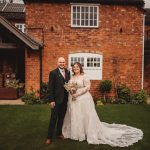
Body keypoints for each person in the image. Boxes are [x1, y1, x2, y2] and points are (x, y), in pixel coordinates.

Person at [62, 62, 143, 147]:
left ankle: (86, 132)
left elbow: (87, 87)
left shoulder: (84, 76)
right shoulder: (72, 77)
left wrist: (77, 94)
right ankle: (77, 133)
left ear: (80, 68)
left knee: (85, 116)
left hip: (83, 99)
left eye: (77, 67)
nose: (75, 68)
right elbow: (70, 86)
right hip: (73, 99)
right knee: (75, 115)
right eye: (74, 67)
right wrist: (71, 91)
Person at [45, 57, 70, 145]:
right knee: (53, 119)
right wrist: (51, 100)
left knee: (61, 118)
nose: (62, 63)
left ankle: (59, 133)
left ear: (65, 63)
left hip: (65, 100)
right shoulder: (53, 73)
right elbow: (50, 88)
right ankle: (49, 137)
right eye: (60, 62)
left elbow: (69, 85)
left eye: (63, 62)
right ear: (57, 63)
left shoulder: (68, 72)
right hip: (56, 100)